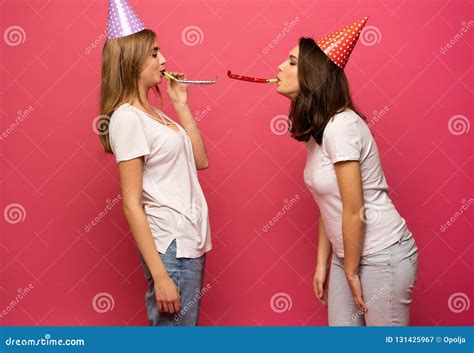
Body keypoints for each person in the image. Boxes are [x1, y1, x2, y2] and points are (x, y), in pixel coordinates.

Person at [275, 17, 418, 326]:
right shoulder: (318, 133)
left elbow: (354, 209)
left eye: (290, 62)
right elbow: (332, 204)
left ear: (311, 76)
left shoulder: (342, 126)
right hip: (347, 256)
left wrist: (351, 270)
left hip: (383, 254)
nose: (279, 68)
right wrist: (323, 263)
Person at [97, 0, 211, 326]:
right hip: (170, 248)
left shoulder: (156, 115)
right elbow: (131, 203)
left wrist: (181, 104)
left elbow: (200, 160)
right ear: (132, 62)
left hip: (189, 242)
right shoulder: (127, 118)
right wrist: (161, 276)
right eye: (154, 53)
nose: (164, 60)